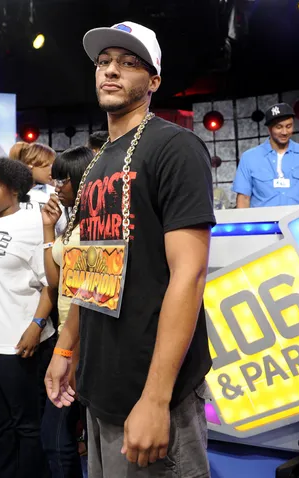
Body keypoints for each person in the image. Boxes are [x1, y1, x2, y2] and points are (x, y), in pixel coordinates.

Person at [45, 21, 215, 478]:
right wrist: (66, 350)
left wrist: (156, 398)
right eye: (104, 62)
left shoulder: (175, 147)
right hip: (101, 387)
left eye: (128, 63)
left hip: (154, 388)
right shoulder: (98, 160)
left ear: (154, 81)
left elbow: (190, 275)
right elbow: (90, 271)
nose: (111, 71)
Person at [0, 157, 55, 478]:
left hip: (19, 343)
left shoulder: (33, 224)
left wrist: (36, 327)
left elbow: (51, 284)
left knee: (26, 425)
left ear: (15, 189)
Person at [40, 146, 94, 478]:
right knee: (61, 438)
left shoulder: (98, 224)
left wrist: (71, 350)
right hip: (65, 334)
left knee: (58, 438)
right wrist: (49, 229)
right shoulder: (71, 221)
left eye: (64, 179)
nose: (57, 186)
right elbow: (56, 280)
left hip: (85, 340)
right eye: (56, 179)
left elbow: (89, 290)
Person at [233, 102, 299, 208]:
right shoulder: (250, 157)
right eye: (279, 127)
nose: (284, 132)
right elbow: (244, 199)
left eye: (288, 126)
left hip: (296, 222)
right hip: (262, 223)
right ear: (269, 129)